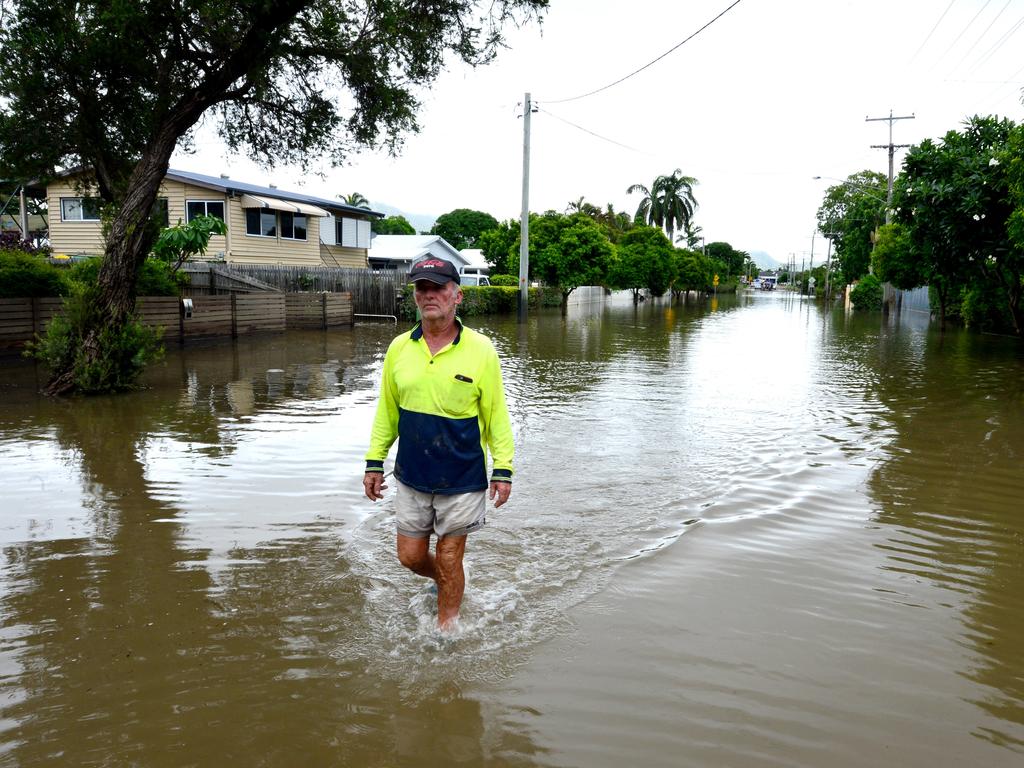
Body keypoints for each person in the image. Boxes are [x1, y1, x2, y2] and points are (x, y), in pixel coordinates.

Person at [363, 257, 514, 630]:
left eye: (438, 288)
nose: (429, 295)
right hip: (412, 474)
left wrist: (504, 468)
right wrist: (374, 461)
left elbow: (496, 414)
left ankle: (448, 629)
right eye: (422, 289)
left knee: (449, 556)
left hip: (462, 476)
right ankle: (443, 582)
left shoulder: (481, 350)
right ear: (415, 297)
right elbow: (387, 411)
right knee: (411, 557)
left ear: (456, 296)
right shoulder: (399, 348)